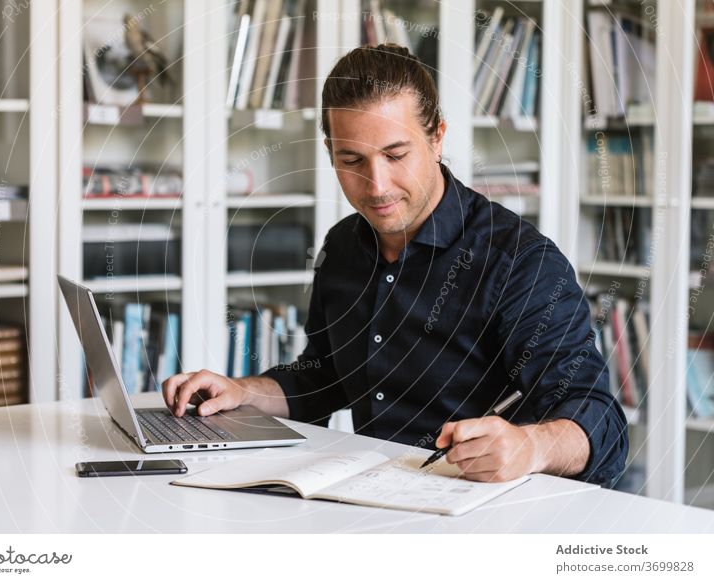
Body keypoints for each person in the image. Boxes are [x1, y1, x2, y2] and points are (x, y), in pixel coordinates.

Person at [163, 44, 628, 485]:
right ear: (330, 154)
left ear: (437, 137)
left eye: (395, 154)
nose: (377, 185)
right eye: (352, 159)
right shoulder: (343, 245)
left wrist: (531, 445)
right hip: (368, 498)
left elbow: (601, 421)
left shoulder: (521, 263)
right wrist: (244, 392)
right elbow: (324, 377)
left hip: (481, 512)